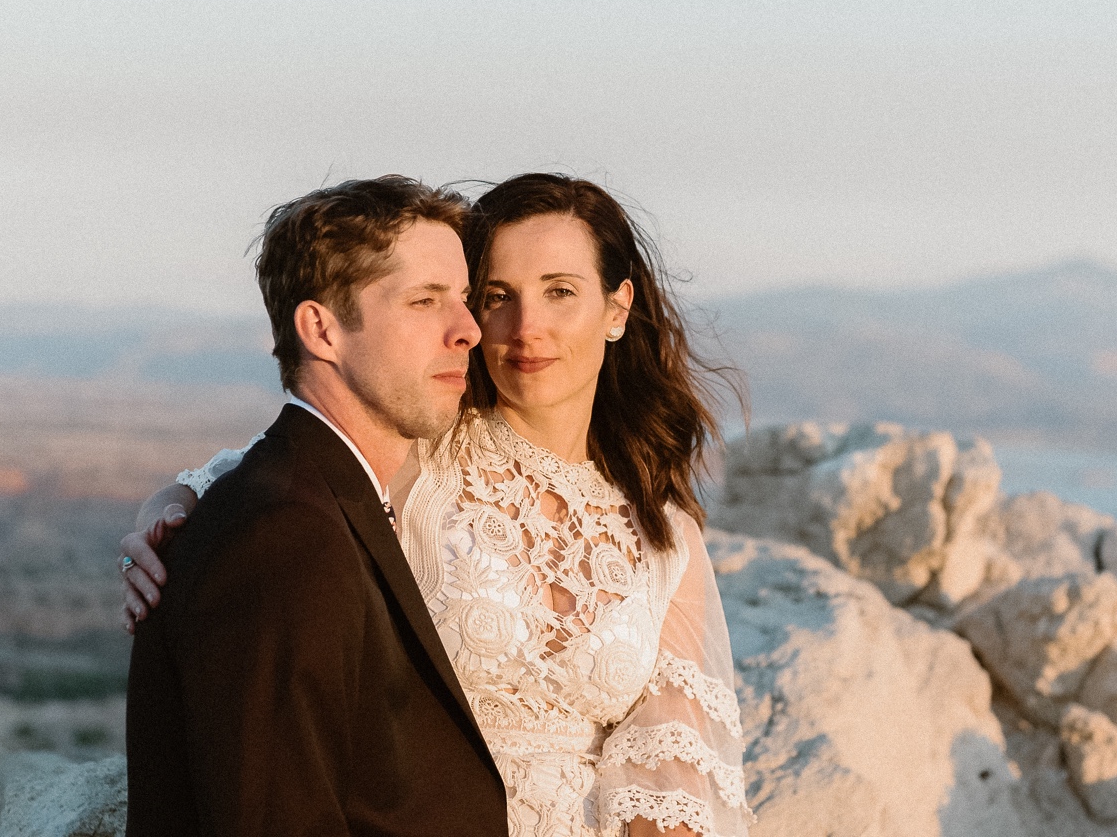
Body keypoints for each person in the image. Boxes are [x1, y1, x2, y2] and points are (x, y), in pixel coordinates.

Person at [122, 173, 753, 837]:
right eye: (495, 297)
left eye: (560, 292)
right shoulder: (421, 450)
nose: (524, 327)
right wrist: (168, 512)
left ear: (618, 309)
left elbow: (670, 784)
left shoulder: (662, 533)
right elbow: (279, 482)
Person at [123, 177, 508, 837]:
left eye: (466, 301)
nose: (468, 330)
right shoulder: (285, 536)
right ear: (322, 329)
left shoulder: (321, 500)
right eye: (425, 301)